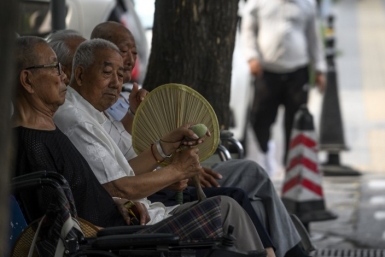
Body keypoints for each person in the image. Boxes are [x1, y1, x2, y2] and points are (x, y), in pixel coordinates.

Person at [12, 36, 266, 252]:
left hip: (126, 223)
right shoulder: (36, 140)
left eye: (120, 74)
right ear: (27, 80)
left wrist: (118, 203)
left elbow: (86, 193)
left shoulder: (48, 129)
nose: (62, 76)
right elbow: (62, 226)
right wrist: (176, 170)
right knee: (226, 208)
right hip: (117, 241)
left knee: (229, 208)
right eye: (55, 68)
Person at [88, 21, 310, 257]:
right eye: (123, 51)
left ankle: (292, 250)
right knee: (238, 194)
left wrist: (181, 154)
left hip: (169, 172)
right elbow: (128, 168)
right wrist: (176, 170)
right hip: (156, 187)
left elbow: (150, 146)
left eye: (134, 52)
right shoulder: (93, 112)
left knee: (252, 174)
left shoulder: (126, 96)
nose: (130, 59)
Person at [241, 0, 326, 169]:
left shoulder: (306, 0)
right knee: (260, 119)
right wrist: (252, 57)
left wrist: (319, 69)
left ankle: (291, 167)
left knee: (295, 124)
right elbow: (248, 30)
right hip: (266, 71)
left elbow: (313, 38)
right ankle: (265, 157)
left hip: (296, 73)